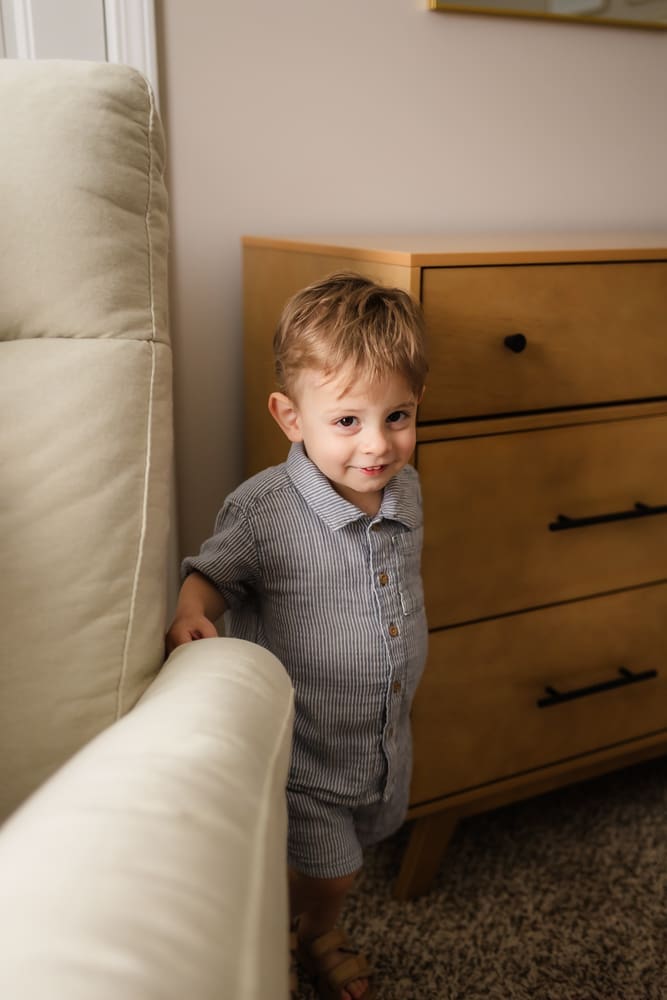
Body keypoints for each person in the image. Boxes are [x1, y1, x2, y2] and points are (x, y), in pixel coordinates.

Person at [166, 272, 429, 1000]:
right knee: (330, 868)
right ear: (290, 416)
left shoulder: (405, 489)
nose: (377, 444)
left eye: (398, 416)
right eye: (347, 421)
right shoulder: (264, 511)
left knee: (364, 837)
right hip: (304, 747)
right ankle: (299, 933)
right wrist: (191, 612)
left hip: (381, 731)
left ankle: (304, 921)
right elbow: (213, 573)